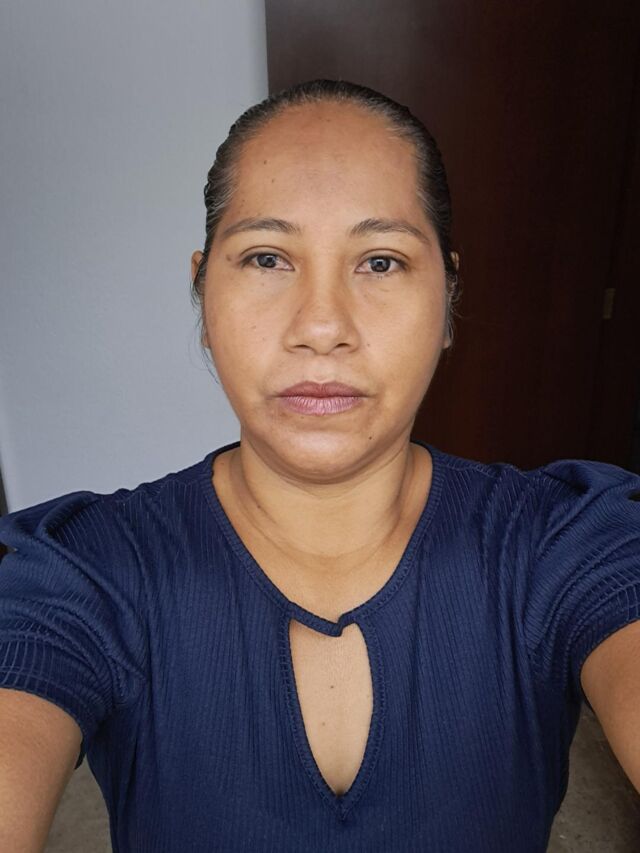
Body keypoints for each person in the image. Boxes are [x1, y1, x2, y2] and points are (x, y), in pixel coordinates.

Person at [0, 79, 639, 853]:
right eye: (268, 257)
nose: (323, 325)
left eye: (381, 261)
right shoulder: (87, 569)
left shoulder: (563, 540)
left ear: (448, 297)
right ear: (203, 293)